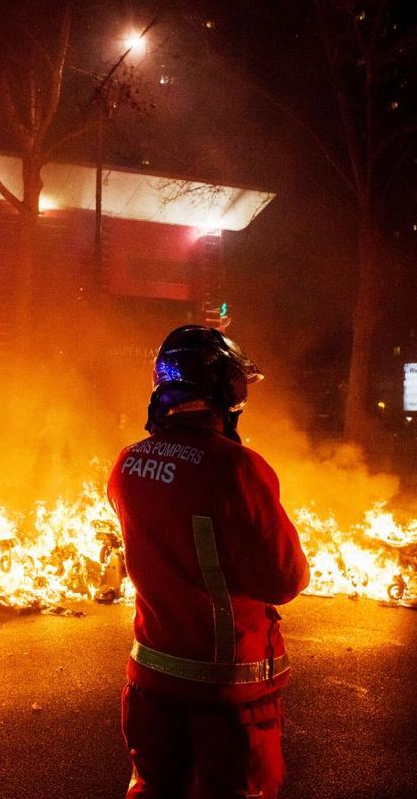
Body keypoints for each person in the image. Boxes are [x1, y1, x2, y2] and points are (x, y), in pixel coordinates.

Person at [107, 325, 310, 799]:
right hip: (228, 691)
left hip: (151, 684)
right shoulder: (237, 467)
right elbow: (283, 579)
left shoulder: (126, 464)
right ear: (220, 388)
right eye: (238, 385)